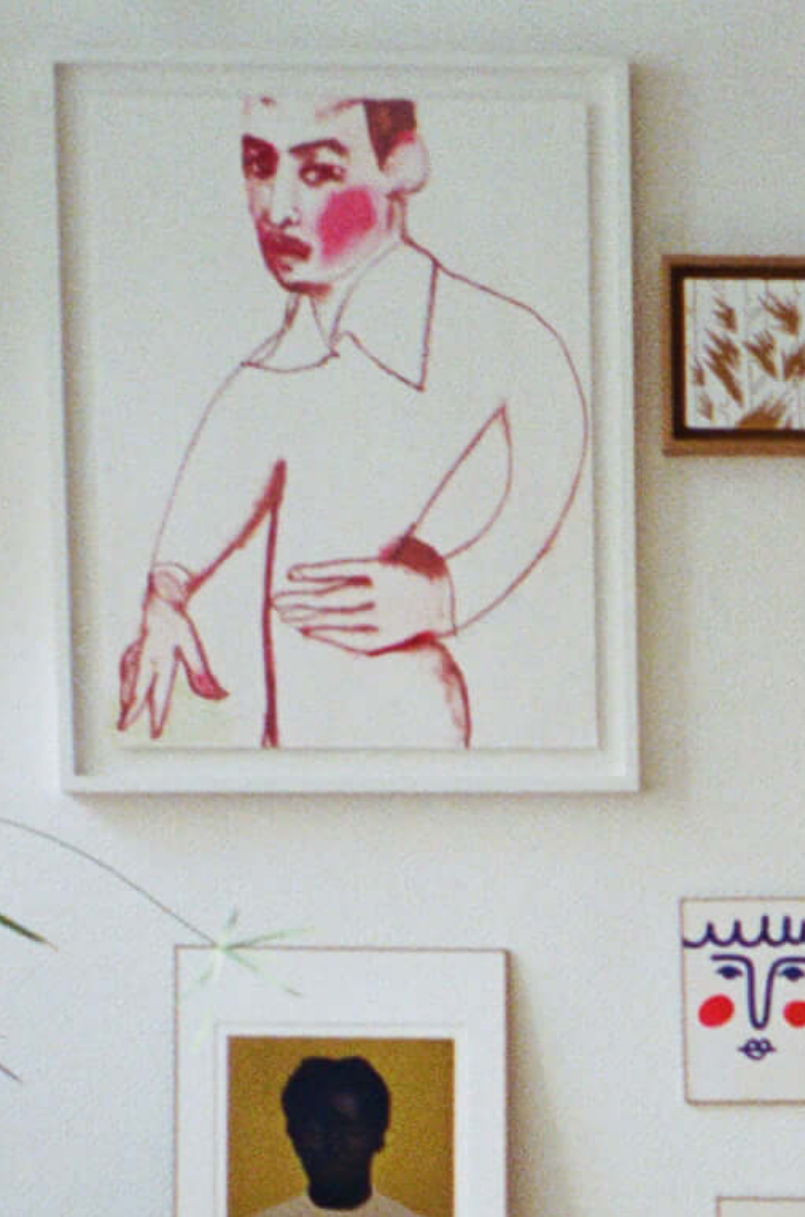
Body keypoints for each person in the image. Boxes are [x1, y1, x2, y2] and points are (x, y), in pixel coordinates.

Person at [116, 90, 588, 752]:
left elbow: (551, 499)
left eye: (318, 172)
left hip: (414, 729)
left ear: (404, 165)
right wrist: (164, 599)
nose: (278, 208)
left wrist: (447, 596)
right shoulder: (272, 372)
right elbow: (202, 510)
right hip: (293, 751)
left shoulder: (502, 338)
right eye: (258, 164)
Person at [229, 1052, 453, 1217]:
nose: (333, 1145)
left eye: (349, 1130)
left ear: (379, 1136)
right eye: (316, 1131)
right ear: (294, 1137)